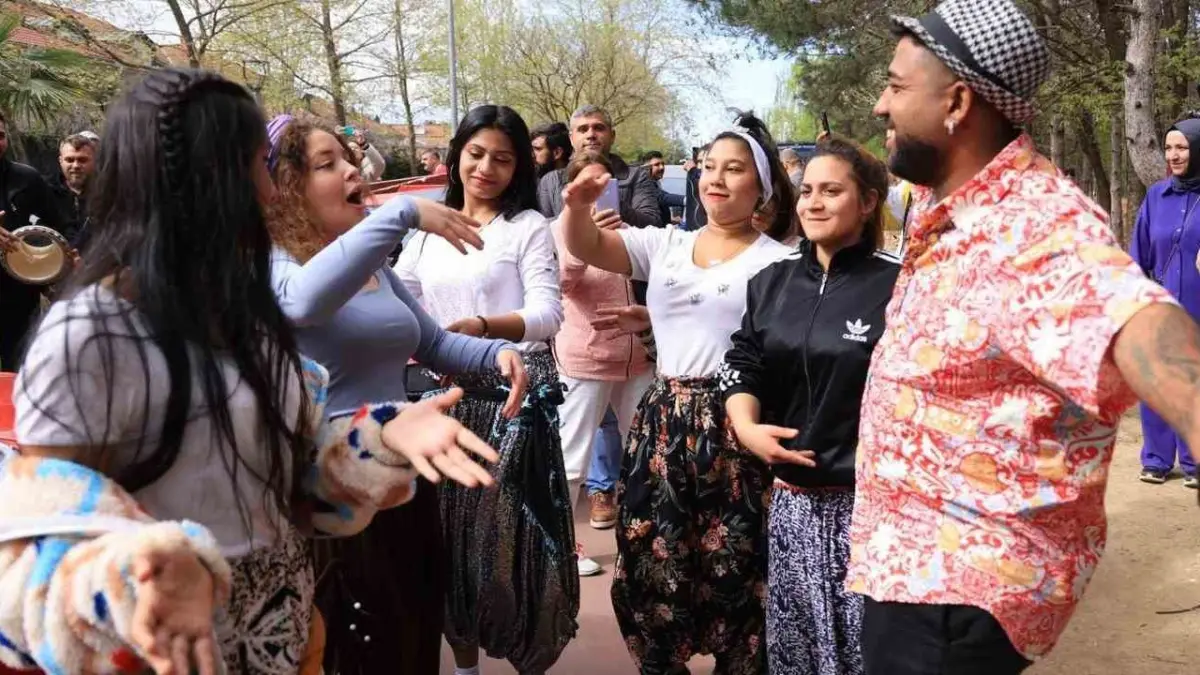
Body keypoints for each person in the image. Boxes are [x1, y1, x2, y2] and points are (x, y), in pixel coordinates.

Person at [0, 68, 500, 675]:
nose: (270, 192)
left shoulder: (244, 312)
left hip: (289, 646)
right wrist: (136, 582)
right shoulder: (90, 334)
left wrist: (379, 439)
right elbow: (25, 560)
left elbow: (286, 485)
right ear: (209, 179)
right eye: (260, 166)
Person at [850, 2, 1200, 673]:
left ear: (956, 103)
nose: (878, 106)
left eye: (896, 87)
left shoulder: (1032, 227)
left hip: (952, 592)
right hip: (918, 567)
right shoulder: (951, 198)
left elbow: (1140, 320)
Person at [266, 113, 525, 675]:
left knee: (411, 638)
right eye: (326, 163)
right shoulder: (275, 263)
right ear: (286, 188)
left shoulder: (372, 266)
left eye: (347, 157)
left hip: (405, 486)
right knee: (358, 652)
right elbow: (301, 304)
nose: (351, 169)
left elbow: (431, 343)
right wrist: (403, 213)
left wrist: (496, 356)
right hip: (335, 496)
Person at [561, 112, 795, 674]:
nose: (716, 178)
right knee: (652, 563)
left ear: (760, 188)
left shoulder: (780, 262)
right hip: (663, 424)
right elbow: (589, 243)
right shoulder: (665, 243)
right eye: (709, 166)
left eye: (734, 169)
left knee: (735, 568)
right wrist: (574, 205)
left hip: (736, 424)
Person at [394, 104, 575, 675]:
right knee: (447, 544)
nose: (486, 168)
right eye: (476, 154)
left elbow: (548, 313)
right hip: (441, 402)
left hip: (511, 402)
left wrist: (483, 329)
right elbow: (399, 299)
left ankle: (530, 658)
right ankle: (465, 666)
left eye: (502, 158)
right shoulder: (426, 229)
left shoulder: (525, 228)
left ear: (518, 165)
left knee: (515, 546)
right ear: (456, 156)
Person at [722, 135, 898, 675]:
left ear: (867, 203)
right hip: (791, 508)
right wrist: (746, 426)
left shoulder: (897, 285)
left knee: (867, 654)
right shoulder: (770, 283)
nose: (813, 202)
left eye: (832, 191)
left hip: (869, 509)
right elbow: (742, 361)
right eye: (807, 191)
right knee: (798, 654)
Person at [550, 149, 655, 576]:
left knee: (650, 454)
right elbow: (558, 284)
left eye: (605, 185)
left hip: (637, 358)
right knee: (571, 457)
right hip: (585, 359)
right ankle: (559, 550)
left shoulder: (627, 230)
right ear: (570, 190)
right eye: (587, 186)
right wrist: (582, 241)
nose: (597, 193)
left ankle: (651, 545)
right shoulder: (555, 231)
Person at [1130, 118, 1200, 488]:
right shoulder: (1156, 196)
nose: (1173, 155)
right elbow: (1138, 252)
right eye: (1169, 147)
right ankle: (1156, 459)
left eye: (1182, 148)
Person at [0, 112, 69, 371]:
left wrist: (52, 275)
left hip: (19, 294)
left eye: (1, 135)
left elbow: (58, 228)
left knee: (20, 372)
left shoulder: (28, 178)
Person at [536, 104, 661, 230]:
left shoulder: (637, 176)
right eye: (583, 129)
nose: (591, 135)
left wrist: (609, 199)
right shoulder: (551, 181)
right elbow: (540, 231)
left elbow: (653, 225)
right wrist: (580, 221)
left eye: (599, 128)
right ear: (571, 138)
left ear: (612, 136)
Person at [50, 133, 96, 247]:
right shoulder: (44, 192)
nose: (76, 165)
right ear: (60, 161)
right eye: (70, 160)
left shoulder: (109, 194)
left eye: (82, 160)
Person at [643, 150, 683, 225]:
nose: (662, 167)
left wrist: (670, 220)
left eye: (663, 164)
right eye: (657, 164)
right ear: (646, 168)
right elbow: (662, 197)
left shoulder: (656, 183)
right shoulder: (644, 184)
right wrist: (688, 199)